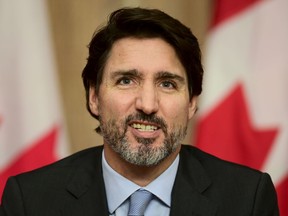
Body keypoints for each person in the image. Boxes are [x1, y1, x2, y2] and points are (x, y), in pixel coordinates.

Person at [0, 7, 279, 216]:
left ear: (192, 102)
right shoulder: (31, 200)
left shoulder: (247, 199)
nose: (147, 104)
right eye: (126, 80)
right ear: (94, 96)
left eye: (167, 83)